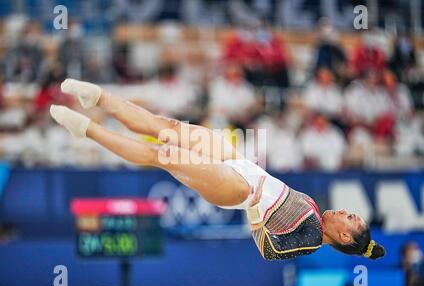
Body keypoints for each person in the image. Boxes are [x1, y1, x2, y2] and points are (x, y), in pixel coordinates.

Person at [50, 78, 386, 261]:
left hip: (237, 190)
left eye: (350, 218)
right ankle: (100, 98)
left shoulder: (313, 238)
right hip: (241, 166)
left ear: (343, 236)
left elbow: (268, 251)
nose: (344, 211)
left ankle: (87, 130)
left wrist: (254, 209)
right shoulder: (314, 209)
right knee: (168, 127)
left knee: (162, 154)